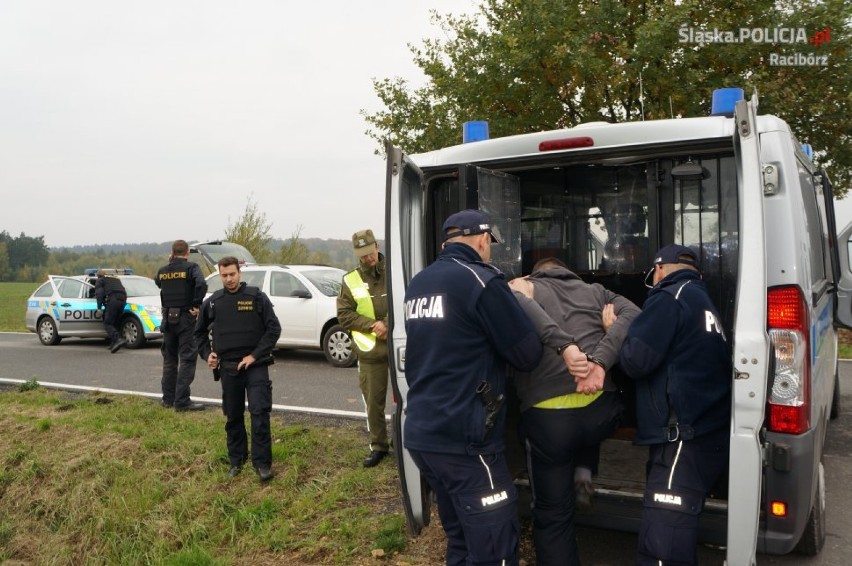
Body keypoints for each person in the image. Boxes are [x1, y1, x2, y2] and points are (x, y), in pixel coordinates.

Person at [403, 209, 583, 565]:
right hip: (469, 446)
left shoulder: (419, 283)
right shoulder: (482, 281)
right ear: (483, 240)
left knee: (461, 542)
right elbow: (526, 353)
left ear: (445, 242)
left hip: (423, 436)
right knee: (497, 551)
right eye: (490, 244)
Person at [508, 257, 640, 566]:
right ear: (569, 271)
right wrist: (602, 359)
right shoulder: (595, 291)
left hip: (549, 422)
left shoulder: (524, 288)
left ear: (536, 272)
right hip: (600, 414)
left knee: (553, 514)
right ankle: (583, 470)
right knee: (587, 418)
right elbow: (634, 312)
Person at [619, 244, 732, 565]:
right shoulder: (703, 301)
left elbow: (635, 361)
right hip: (707, 429)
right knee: (677, 534)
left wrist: (611, 330)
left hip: (682, 437)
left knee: (663, 545)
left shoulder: (669, 298)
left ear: (659, 270)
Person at [195, 256, 282, 481]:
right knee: (233, 417)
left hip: (255, 365)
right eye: (224, 275)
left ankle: (262, 464)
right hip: (229, 369)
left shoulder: (257, 298)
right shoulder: (213, 303)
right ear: (220, 275)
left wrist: (254, 356)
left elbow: (273, 329)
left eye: (232, 274)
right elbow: (199, 334)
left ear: (239, 273)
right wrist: (208, 355)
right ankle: (237, 461)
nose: (229, 279)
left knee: (259, 413)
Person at [337, 228, 390, 468]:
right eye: (362, 255)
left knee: (413, 398)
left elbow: (408, 299)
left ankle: (413, 442)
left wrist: (388, 324)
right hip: (370, 352)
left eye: (369, 253)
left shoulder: (397, 271)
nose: (367, 258)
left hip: (401, 346)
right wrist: (372, 326)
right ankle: (379, 446)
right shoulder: (350, 280)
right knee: (373, 403)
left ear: (377, 247)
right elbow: (344, 315)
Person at [155, 239, 208, 411]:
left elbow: (158, 283)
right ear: (187, 253)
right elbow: (202, 284)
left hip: (168, 318)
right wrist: (196, 304)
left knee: (170, 359)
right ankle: (182, 401)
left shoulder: (163, 270)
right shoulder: (192, 268)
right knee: (187, 358)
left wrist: (170, 263)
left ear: (172, 252)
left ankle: (168, 399)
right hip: (186, 317)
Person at [94, 269, 127, 353]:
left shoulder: (100, 281)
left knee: (107, 323)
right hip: (123, 300)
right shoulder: (115, 280)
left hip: (113, 300)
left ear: (98, 276)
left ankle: (118, 339)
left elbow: (99, 294)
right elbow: (123, 291)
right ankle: (113, 343)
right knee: (114, 322)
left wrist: (99, 308)